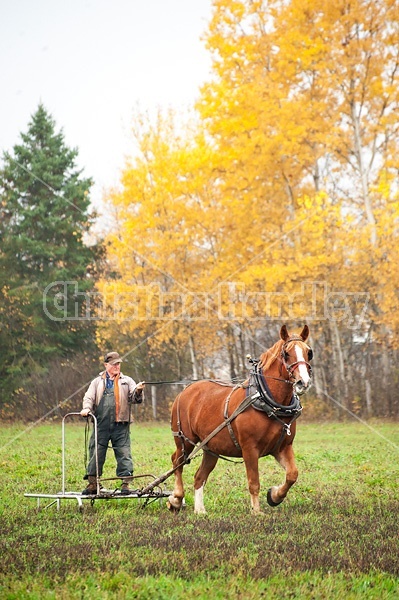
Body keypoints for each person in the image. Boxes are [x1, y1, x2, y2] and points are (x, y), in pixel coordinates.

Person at [80, 351, 145, 495]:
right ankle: (93, 484)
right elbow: (88, 398)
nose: (117, 366)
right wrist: (86, 409)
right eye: (114, 364)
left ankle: (125, 485)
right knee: (96, 452)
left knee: (124, 453)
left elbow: (135, 398)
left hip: (121, 425)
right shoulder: (97, 382)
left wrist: (139, 391)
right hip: (100, 424)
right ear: (106, 365)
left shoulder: (127, 381)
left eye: (119, 364)